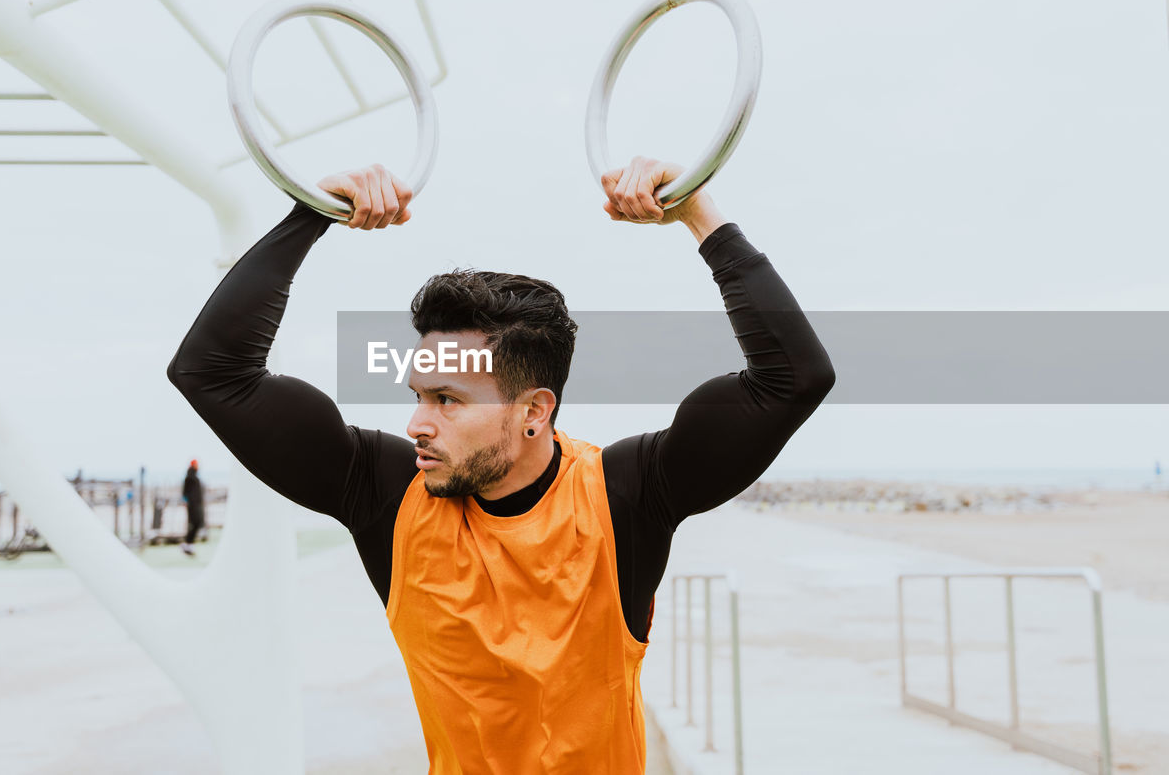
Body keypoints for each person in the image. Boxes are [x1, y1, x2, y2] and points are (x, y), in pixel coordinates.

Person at [167, 158, 835, 773]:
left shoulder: (624, 496)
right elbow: (211, 374)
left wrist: (698, 212)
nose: (417, 423)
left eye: (448, 400)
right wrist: (310, 214)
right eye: (420, 396)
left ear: (533, 412)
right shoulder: (387, 495)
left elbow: (792, 379)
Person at [180, 459, 204, 555]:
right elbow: (185, 491)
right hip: (192, 504)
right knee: (195, 523)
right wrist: (186, 501)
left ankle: (189, 543)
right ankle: (188, 543)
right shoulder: (189, 477)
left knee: (196, 523)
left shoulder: (194, 477)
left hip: (196, 504)